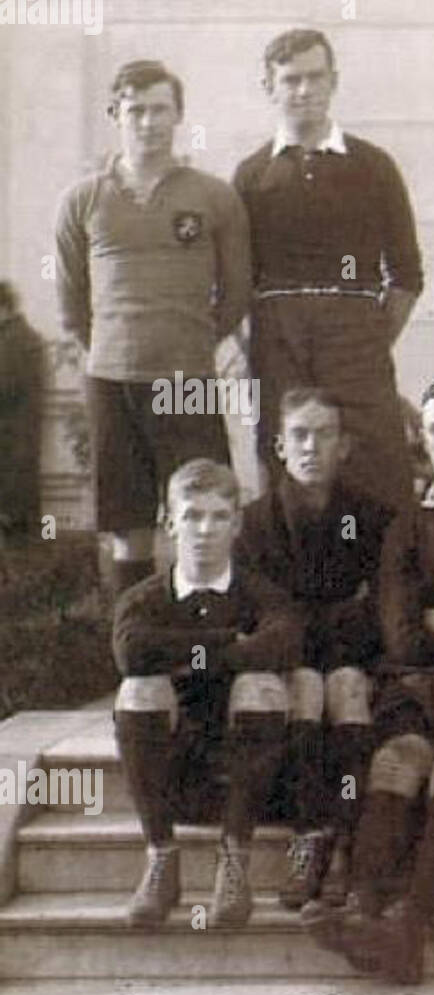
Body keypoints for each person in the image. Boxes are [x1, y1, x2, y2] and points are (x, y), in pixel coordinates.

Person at [303, 376, 434, 980]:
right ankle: (365, 910)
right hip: (417, 684)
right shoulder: (407, 527)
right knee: (397, 758)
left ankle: (410, 930)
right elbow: (401, 632)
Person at [56, 60, 251, 597]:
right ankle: (137, 658)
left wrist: (189, 343)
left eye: (160, 110)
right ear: (116, 114)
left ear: (178, 115)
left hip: (185, 380)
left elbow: (236, 292)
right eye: (136, 110)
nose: (148, 122)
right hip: (112, 381)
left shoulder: (213, 196)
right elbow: (73, 303)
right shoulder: (83, 200)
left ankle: (210, 653)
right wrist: (114, 350)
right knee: (128, 526)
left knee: (206, 514)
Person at [234, 28, 423, 512]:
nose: (304, 90)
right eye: (291, 79)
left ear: (333, 81)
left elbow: (405, 275)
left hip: (356, 332)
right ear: (269, 88)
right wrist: (261, 344)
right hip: (279, 338)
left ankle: (384, 584)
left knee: (374, 460)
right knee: (289, 462)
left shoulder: (374, 166)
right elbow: (237, 280)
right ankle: (297, 586)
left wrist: (367, 338)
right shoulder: (251, 175)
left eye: (315, 77)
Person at [112, 459, 301, 929]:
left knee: (262, 685)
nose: (204, 530)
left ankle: (234, 858)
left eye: (218, 517)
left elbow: (282, 643)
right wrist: (226, 641)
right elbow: (132, 654)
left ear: (237, 524)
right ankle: (161, 855)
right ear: (169, 522)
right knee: (139, 690)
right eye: (192, 516)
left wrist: (180, 655)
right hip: (172, 769)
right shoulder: (144, 599)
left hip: (247, 771)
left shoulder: (262, 594)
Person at [233, 388, 393, 909]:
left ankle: (346, 840)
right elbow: (265, 612)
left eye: (324, 435)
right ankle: (308, 836)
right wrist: (323, 625)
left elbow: (380, 607)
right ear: (280, 446)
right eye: (299, 435)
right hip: (286, 665)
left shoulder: (371, 518)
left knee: (344, 685)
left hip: (351, 660)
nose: (311, 446)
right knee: (307, 685)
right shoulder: (253, 524)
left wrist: (329, 629)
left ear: (343, 446)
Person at [0, 281, 46, 541]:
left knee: (15, 537)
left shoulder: (14, 341)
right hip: (16, 450)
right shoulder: (20, 337)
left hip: (10, 452)